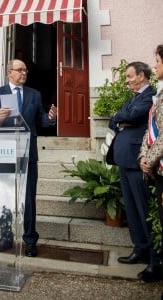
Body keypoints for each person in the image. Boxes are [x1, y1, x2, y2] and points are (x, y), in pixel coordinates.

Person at [0, 59, 57, 257]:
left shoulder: (34, 94)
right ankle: (5, 237)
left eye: (25, 70)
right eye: (20, 70)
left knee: (29, 199)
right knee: (5, 197)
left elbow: (41, 119)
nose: (24, 73)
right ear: (9, 73)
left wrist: (50, 118)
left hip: (28, 152)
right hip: (4, 151)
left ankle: (30, 241)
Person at [108, 62, 156, 264]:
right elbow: (115, 119)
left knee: (142, 208)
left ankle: (155, 257)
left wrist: (120, 117)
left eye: (129, 76)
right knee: (131, 208)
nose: (126, 81)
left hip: (137, 160)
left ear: (142, 76)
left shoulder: (150, 96)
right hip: (123, 159)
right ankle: (140, 248)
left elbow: (133, 116)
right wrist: (120, 118)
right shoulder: (134, 98)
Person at [138, 44, 163, 283]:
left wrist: (151, 158)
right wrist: (143, 157)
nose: (155, 65)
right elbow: (151, 130)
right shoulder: (160, 93)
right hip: (157, 168)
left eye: (157, 61)